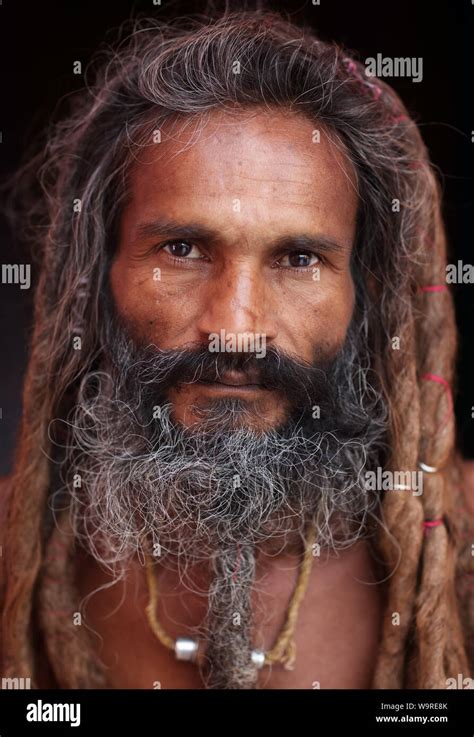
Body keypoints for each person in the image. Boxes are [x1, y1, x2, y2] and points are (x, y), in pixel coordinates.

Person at [1, 9, 473, 690]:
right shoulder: (10, 549)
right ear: (95, 276)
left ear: (366, 294)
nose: (236, 328)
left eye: (299, 257)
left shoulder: (458, 551)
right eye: (183, 249)